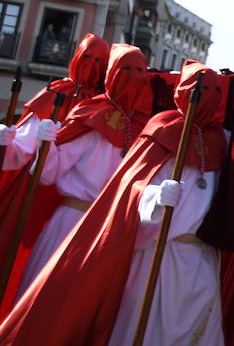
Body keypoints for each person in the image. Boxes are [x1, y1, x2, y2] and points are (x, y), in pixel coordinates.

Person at [0, 61, 229, 345]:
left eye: (138, 71)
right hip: (80, 224)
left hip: (191, 255)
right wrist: (153, 199)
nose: (132, 79)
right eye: (124, 70)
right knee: (59, 297)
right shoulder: (155, 128)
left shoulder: (214, 139)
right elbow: (56, 173)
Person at [0, 43, 152, 294]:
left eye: (139, 70)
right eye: (87, 57)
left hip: (105, 228)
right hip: (61, 212)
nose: (91, 65)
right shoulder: (82, 107)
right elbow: (37, 160)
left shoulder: (138, 124)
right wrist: (24, 143)